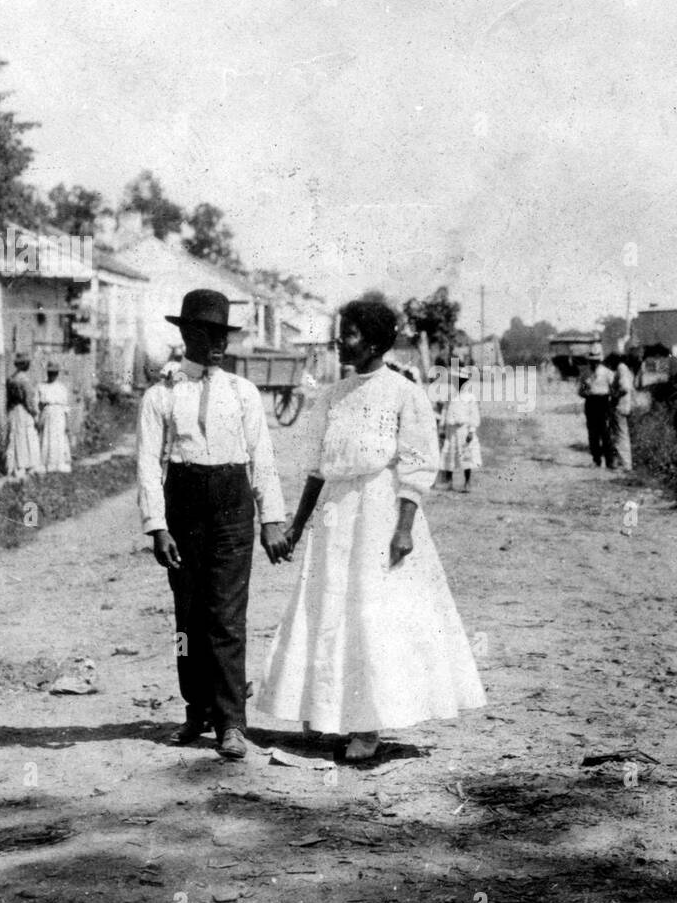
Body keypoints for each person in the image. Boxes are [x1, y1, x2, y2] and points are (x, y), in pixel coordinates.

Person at [255, 296, 485, 761]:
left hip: (378, 511)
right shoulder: (332, 396)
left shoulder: (403, 392)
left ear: (377, 341)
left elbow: (417, 465)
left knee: (372, 615)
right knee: (328, 611)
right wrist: (297, 528)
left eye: (352, 333)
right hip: (335, 517)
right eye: (341, 331)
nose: (342, 340)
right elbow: (318, 471)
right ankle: (328, 712)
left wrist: (404, 529)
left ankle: (368, 724)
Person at [136, 289, 290, 761]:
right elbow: (147, 463)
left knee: (226, 614)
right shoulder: (161, 394)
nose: (217, 343)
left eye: (222, 333)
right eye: (206, 333)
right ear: (185, 334)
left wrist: (272, 519)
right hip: (183, 503)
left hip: (231, 504)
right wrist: (157, 526)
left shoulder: (242, 393)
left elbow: (261, 458)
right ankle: (196, 709)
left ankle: (230, 722)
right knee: (188, 615)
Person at [440, 366, 482, 491]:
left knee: (465, 455)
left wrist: (471, 431)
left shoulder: (470, 397)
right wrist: (442, 428)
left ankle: (467, 482)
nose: (458, 383)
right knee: (449, 454)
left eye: (461, 381)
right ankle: (448, 481)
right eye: (456, 380)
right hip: (451, 430)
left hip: (463, 429)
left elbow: (473, 415)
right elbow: (445, 411)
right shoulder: (450, 396)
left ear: (465, 382)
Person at [4, 353, 43, 479]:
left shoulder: (11, 379)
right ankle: (24, 465)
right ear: (25, 365)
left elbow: (8, 399)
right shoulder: (25, 380)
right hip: (23, 410)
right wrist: (35, 413)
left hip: (13, 410)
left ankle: (14, 466)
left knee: (15, 436)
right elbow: (29, 400)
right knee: (26, 437)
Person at [576, 346, 615, 468]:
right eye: (592, 361)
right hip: (591, 402)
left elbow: (614, 389)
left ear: (600, 360)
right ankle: (596, 460)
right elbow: (580, 391)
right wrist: (584, 393)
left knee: (605, 432)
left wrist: (611, 400)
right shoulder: (585, 373)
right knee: (593, 433)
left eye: (596, 361)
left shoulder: (607, 373)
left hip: (603, 401)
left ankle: (609, 461)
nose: (594, 363)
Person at [37, 363, 72, 474]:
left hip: (59, 414)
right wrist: (38, 417)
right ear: (47, 373)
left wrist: (67, 423)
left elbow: (66, 406)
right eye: (50, 373)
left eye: (54, 373)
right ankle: (46, 464)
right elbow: (38, 404)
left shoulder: (62, 387)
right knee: (47, 437)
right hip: (47, 412)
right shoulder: (41, 386)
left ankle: (59, 464)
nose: (52, 375)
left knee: (59, 438)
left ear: (57, 374)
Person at [605, 352, 635, 472]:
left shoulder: (621, 368)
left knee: (620, 435)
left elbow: (625, 388)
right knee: (620, 434)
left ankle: (625, 465)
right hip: (624, 406)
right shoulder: (625, 369)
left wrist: (614, 395)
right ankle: (621, 463)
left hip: (619, 406)